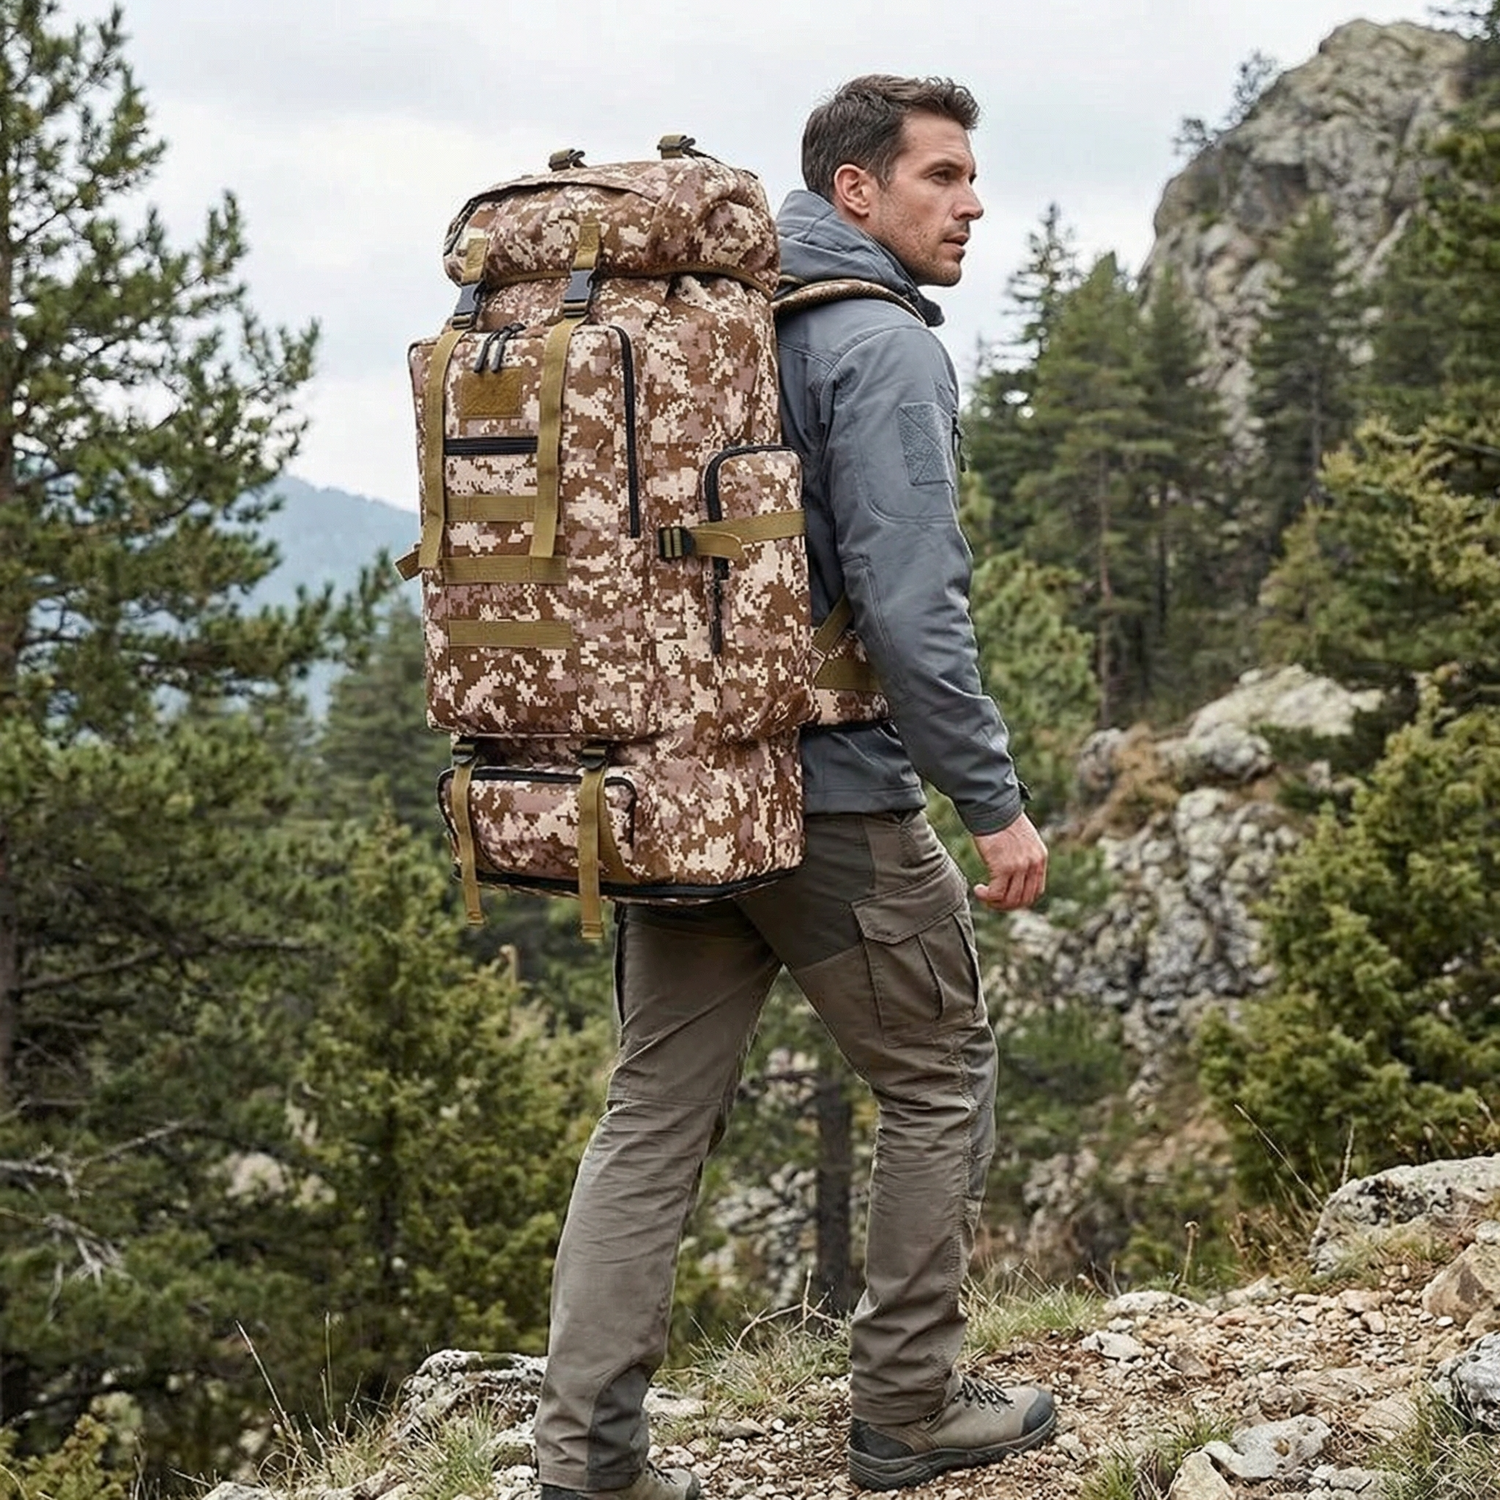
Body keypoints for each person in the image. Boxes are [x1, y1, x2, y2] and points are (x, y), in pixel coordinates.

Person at [532, 74, 1056, 1500]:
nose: (973, 202)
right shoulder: (877, 344)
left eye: (971, 175)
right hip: (830, 800)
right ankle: (909, 1407)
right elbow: (912, 607)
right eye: (943, 175)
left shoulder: (704, 327)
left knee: (651, 1118)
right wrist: (991, 801)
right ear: (854, 191)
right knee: (938, 1074)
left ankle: (587, 1463)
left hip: (675, 795)